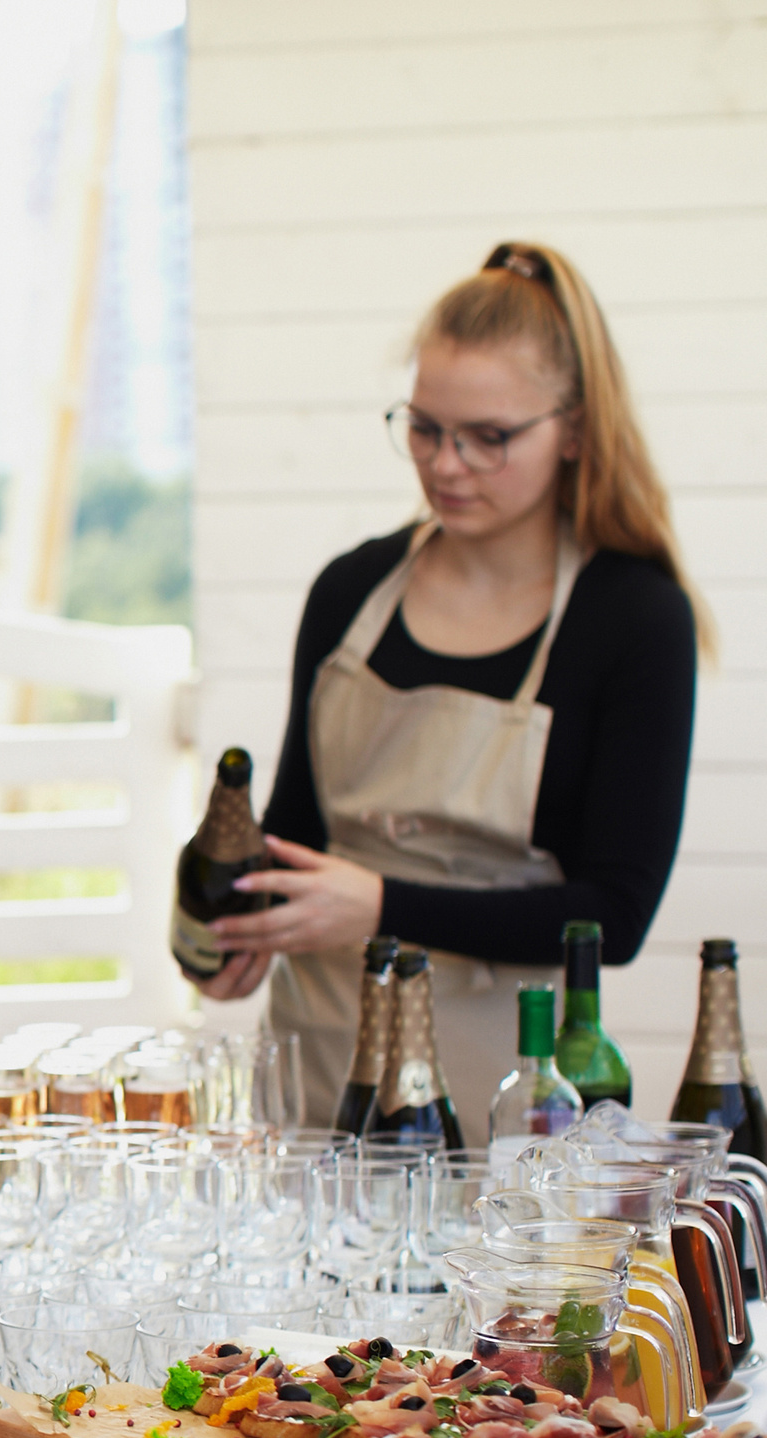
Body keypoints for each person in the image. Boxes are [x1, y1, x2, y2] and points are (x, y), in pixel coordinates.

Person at [196, 241, 701, 1122]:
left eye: (489, 438)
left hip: (508, 1102)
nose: (447, 464)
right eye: (424, 428)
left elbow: (613, 917)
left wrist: (380, 906)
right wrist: (235, 924)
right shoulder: (352, 590)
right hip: (321, 1078)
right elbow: (296, 829)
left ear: (575, 429)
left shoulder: (634, 617)